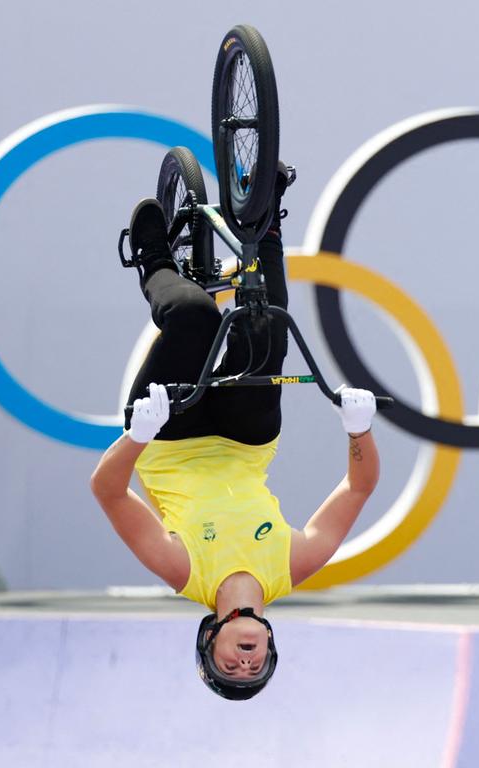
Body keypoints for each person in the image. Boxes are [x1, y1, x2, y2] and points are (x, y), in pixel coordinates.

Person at [90, 175, 380, 701]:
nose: (245, 663)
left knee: (194, 316)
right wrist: (358, 430)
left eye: (230, 667)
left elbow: (107, 491)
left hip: (166, 432)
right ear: (269, 644)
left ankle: (154, 261)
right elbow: (358, 489)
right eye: (256, 668)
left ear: (210, 638)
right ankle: (266, 218)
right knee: (265, 329)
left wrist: (137, 435)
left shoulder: (182, 571)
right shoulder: (293, 567)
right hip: (245, 442)